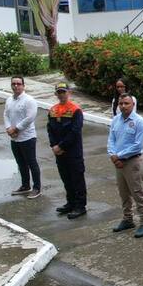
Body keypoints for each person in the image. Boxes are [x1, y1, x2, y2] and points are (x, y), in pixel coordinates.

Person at [107, 93, 143, 238]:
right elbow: (111, 140)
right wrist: (113, 155)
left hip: (132, 161)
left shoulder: (139, 122)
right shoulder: (116, 120)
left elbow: (137, 145)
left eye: (126, 103)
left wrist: (119, 156)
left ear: (133, 105)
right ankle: (128, 219)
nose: (123, 106)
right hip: (118, 162)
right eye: (121, 103)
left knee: (138, 192)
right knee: (123, 192)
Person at [47, 83, 87, 220]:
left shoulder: (75, 110)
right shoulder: (53, 110)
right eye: (59, 92)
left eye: (63, 92)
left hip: (73, 152)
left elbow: (75, 132)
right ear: (55, 94)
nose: (61, 94)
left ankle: (80, 206)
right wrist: (54, 145)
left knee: (77, 179)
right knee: (66, 179)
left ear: (68, 92)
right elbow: (50, 129)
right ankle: (70, 203)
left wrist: (61, 146)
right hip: (59, 152)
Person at [4, 75, 41, 198]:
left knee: (31, 163)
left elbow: (30, 118)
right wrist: (8, 128)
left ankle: (37, 188)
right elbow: (6, 114)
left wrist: (16, 128)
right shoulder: (9, 100)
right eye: (13, 84)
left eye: (18, 84)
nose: (16, 86)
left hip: (27, 138)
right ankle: (25, 186)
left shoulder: (29, 100)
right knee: (20, 163)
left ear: (23, 86)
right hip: (14, 138)